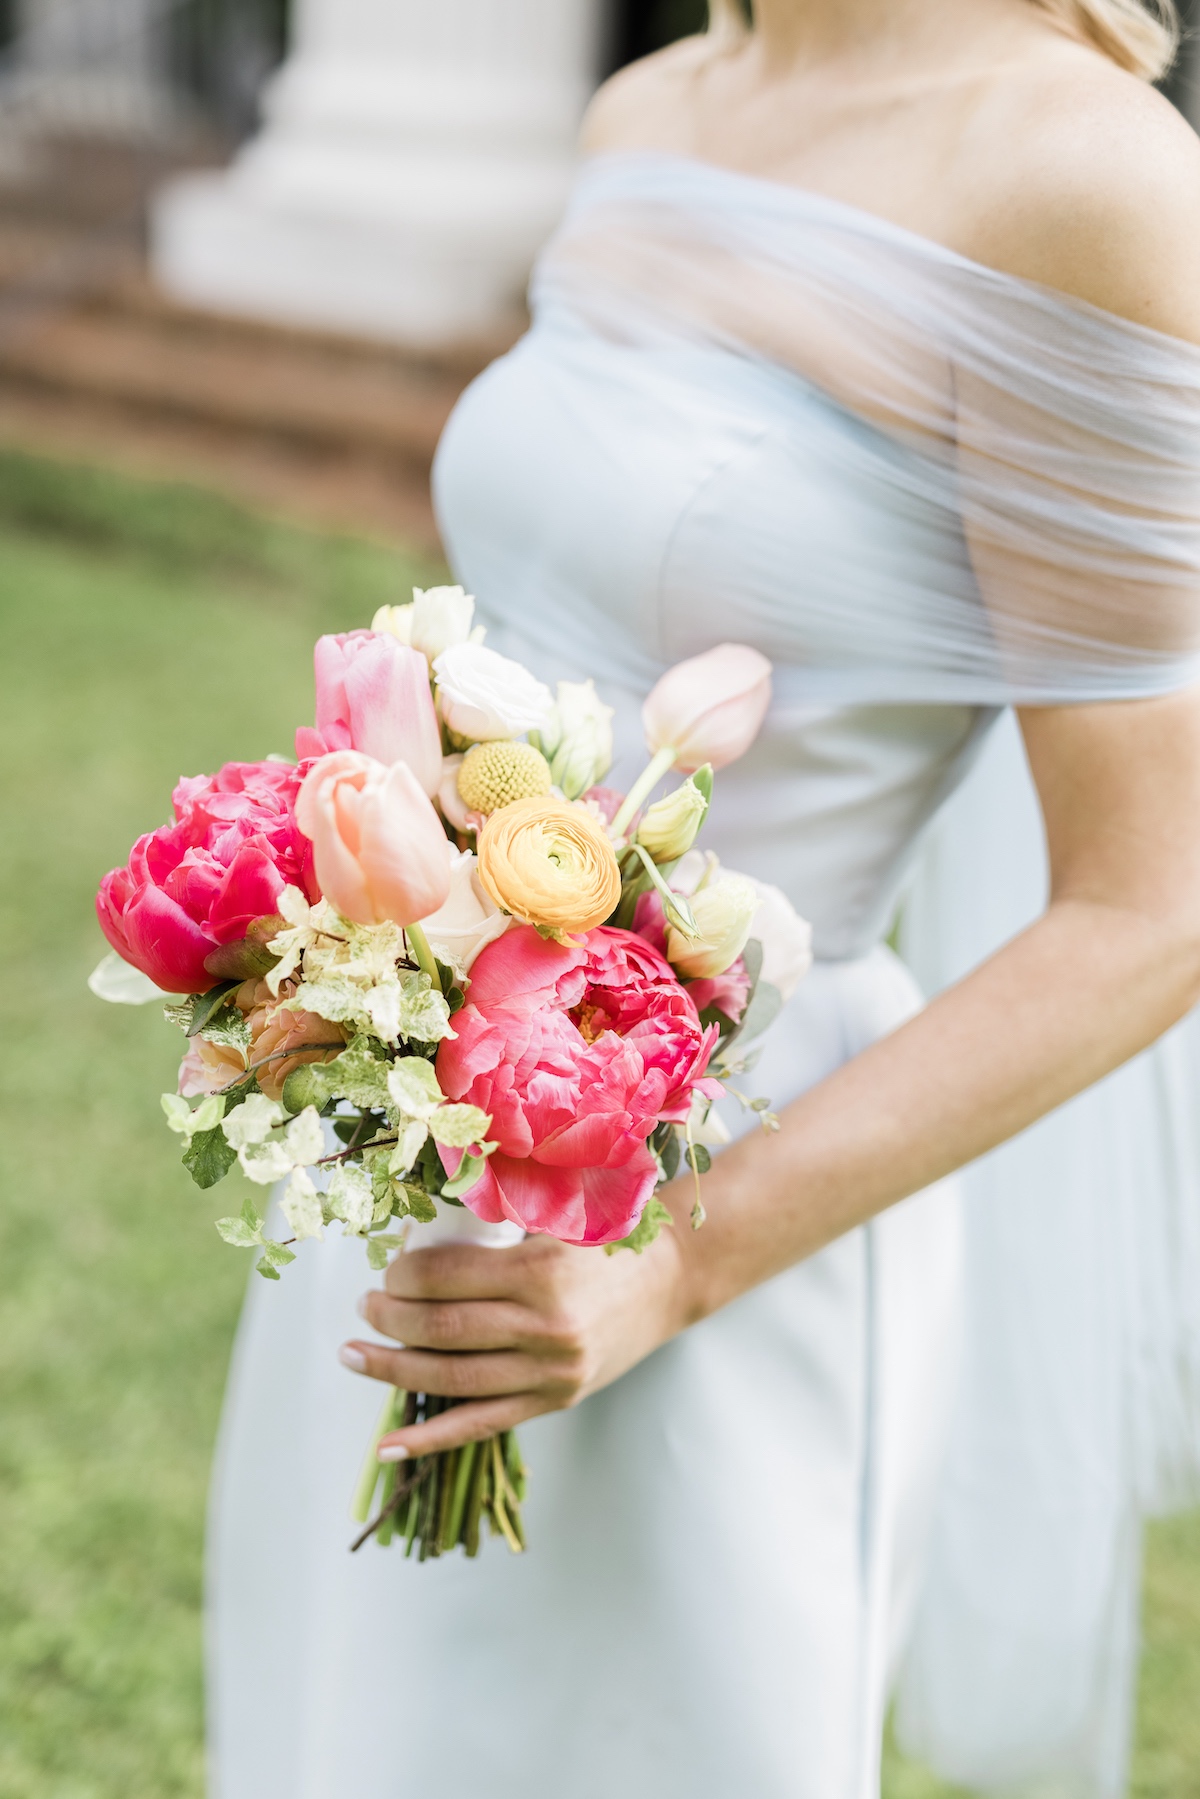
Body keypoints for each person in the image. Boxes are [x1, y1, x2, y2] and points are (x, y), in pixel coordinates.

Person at [207, 3, 1200, 1795]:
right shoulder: (651, 106)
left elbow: (1156, 908)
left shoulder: (1090, 181)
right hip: (416, 1113)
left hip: (739, 1183)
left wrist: (683, 1261)